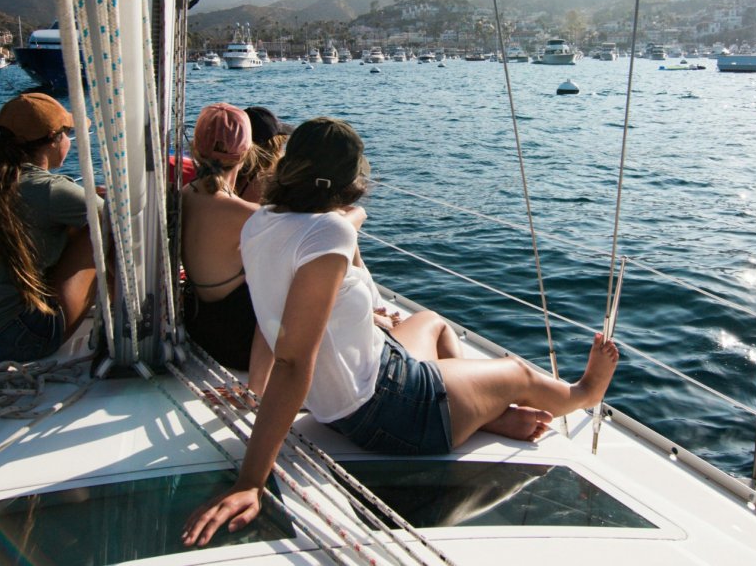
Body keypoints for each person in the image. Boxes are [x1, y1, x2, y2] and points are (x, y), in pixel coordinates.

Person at [182, 117, 619, 547]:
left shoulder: (263, 221)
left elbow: (277, 316)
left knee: (431, 322)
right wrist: (251, 481)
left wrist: (354, 227)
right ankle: (583, 393)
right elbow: (294, 361)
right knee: (518, 373)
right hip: (392, 408)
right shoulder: (328, 233)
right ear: (345, 181)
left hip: (347, 396)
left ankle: (483, 410)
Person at [0, 92, 103, 361]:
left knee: (81, 217)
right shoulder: (49, 190)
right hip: (21, 339)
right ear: (54, 139)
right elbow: (118, 222)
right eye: (67, 134)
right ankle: (129, 320)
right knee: (99, 228)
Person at [180, 103, 272, 375]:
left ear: (196, 148)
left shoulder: (185, 194)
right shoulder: (245, 213)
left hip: (200, 328)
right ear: (246, 152)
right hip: (237, 345)